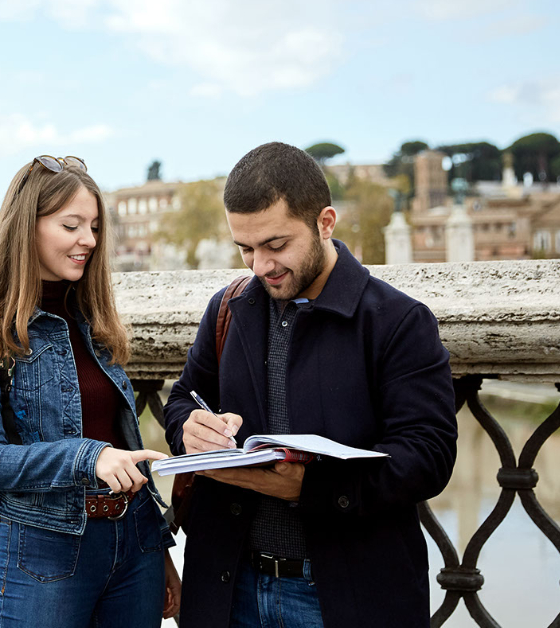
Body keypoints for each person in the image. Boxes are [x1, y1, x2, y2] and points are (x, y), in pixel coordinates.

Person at [164, 142, 457, 627]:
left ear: (325, 223)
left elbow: (429, 457)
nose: (260, 266)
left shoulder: (399, 321)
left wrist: (310, 487)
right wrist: (190, 429)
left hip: (344, 597)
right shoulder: (226, 308)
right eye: (246, 249)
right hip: (226, 589)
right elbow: (181, 400)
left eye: (276, 245)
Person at [0, 155, 181, 627]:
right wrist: (86, 458)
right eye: (71, 225)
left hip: (136, 543)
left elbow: (123, 439)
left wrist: (162, 551)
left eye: (93, 226)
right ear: (26, 228)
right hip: (45, 551)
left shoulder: (94, 317)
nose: (88, 240)